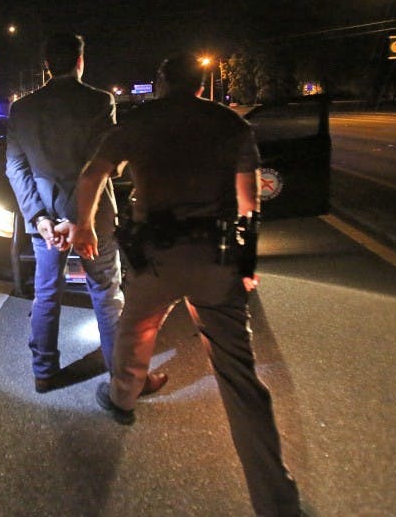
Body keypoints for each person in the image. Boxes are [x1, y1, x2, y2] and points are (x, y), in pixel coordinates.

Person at [69, 53, 301, 515]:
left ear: (161, 81)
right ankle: (275, 499)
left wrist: (84, 226)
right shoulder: (230, 125)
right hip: (215, 259)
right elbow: (249, 202)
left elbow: (93, 172)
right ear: (199, 84)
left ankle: (123, 395)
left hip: (153, 257)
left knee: (136, 329)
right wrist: (248, 262)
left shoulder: (140, 120)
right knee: (239, 375)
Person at [5, 32, 167, 395]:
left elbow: (15, 168)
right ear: (80, 61)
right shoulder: (98, 101)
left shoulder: (23, 109)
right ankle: (123, 376)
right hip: (91, 219)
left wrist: (41, 218)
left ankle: (44, 372)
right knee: (106, 292)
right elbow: (103, 164)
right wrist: (79, 221)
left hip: (45, 218)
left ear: (47, 65)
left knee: (46, 293)